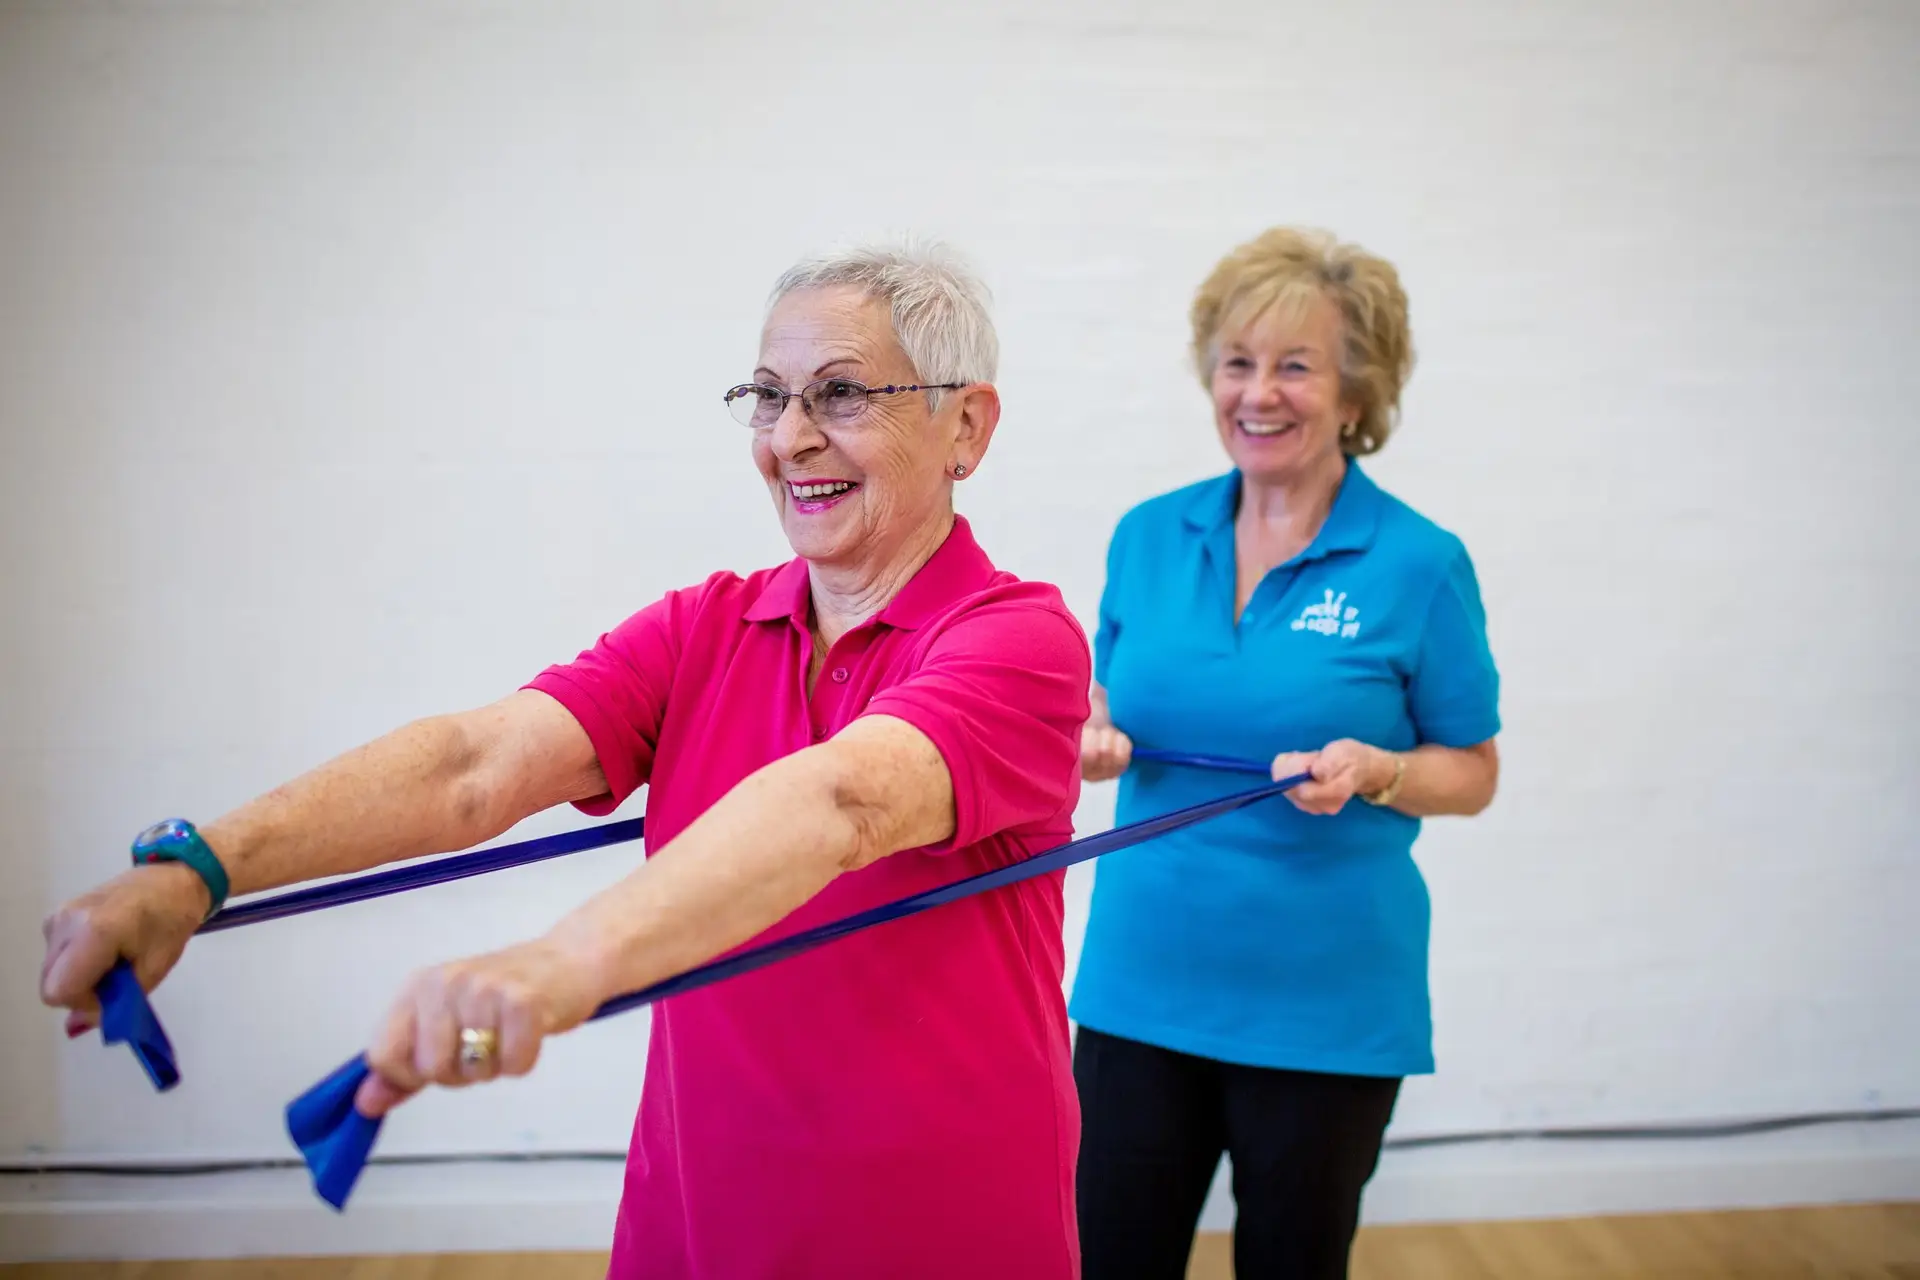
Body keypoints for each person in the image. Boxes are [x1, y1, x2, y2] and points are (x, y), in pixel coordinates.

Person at [39, 240, 1093, 1280]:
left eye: (843, 393)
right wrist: (197, 868)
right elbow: (475, 763)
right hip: (694, 1213)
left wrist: (553, 967)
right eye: (768, 397)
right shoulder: (705, 628)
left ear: (965, 425)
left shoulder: (1019, 641)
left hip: (934, 1223)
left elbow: (843, 798)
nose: (791, 438)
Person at [1069, 226, 1502, 1280]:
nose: (1258, 392)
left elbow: (1474, 769)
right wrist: (1085, 736)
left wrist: (1381, 769)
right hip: (1139, 984)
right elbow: (1101, 699)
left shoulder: (1420, 562)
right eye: (1238, 361)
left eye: (1296, 365)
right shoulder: (1148, 534)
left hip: (1326, 1005)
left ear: (1357, 390)